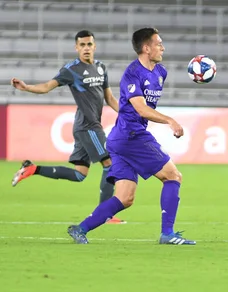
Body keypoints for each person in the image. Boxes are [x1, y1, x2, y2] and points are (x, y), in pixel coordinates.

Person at [66, 27, 195, 245]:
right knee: (173, 176)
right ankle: (168, 234)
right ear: (146, 48)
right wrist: (170, 120)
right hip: (131, 136)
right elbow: (140, 109)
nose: (162, 47)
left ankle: (80, 229)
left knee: (125, 198)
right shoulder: (132, 74)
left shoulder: (160, 72)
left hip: (120, 138)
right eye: (158, 43)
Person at [10, 30, 124, 224]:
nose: (86, 48)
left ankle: (32, 169)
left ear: (94, 46)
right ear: (76, 48)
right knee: (110, 164)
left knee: (80, 174)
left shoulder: (101, 67)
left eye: (89, 44)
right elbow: (47, 86)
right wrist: (27, 87)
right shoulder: (71, 70)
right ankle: (105, 214)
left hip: (84, 126)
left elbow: (110, 98)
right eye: (82, 45)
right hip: (88, 127)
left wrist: (127, 113)